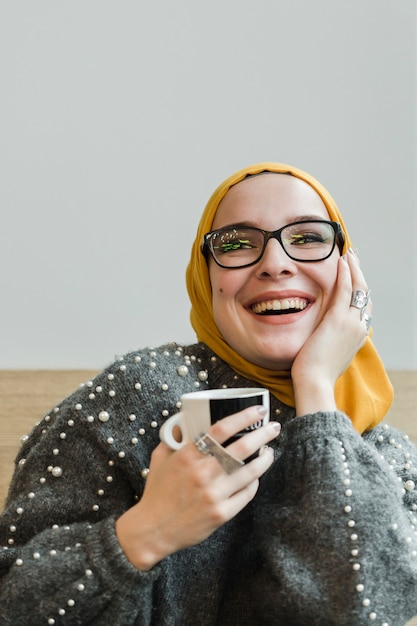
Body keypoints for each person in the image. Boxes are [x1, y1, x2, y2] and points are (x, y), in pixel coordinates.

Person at [0, 162, 416, 626]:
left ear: (347, 269)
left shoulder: (382, 456)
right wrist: (143, 535)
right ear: (205, 275)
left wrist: (317, 388)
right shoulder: (129, 401)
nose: (276, 263)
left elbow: (359, 610)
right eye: (236, 244)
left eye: (307, 238)